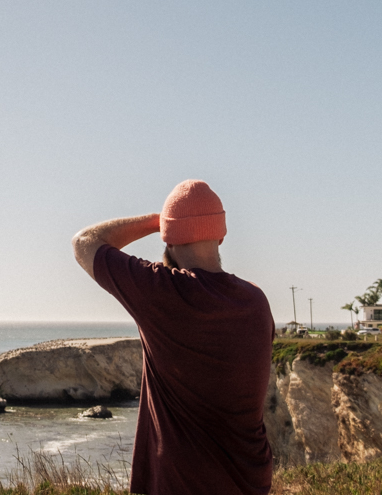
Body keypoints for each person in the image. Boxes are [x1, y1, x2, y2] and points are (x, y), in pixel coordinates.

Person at [72, 180, 274, 495]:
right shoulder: (255, 302)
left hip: (181, 484)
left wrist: (158, 221)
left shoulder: (162, 292)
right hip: (250, 481)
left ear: (169, 237)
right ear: (221, 235)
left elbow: (85, 242)